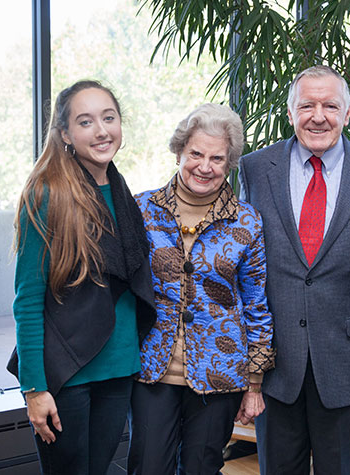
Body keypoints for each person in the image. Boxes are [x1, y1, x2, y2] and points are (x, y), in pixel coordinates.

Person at [238, 65, 350, 474]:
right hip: (276, 362)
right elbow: (243, 261)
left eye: (330, 105)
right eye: (306, 105)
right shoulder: (254, 168)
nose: (318, 116)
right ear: (290, 112)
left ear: (347, 114)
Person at [6, 80, 157, 475]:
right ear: (65, 135)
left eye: (109, 118)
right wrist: (34, 389)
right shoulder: (48, 193)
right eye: (86, 121)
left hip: (119, 366)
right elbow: (27, 300)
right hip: (67, 372)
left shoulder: (123, 193)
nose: (102, 130)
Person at [128, 103, 275, 474]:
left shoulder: (247, 221)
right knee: (147, 467)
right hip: (151, 369)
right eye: (196, 153)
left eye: (217, 158)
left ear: (229, 164)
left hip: (221, 372)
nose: (205, 167)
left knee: (202, 467)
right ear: (180, 151)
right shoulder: (141, 210)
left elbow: (257, 303)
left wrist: (254, 383)